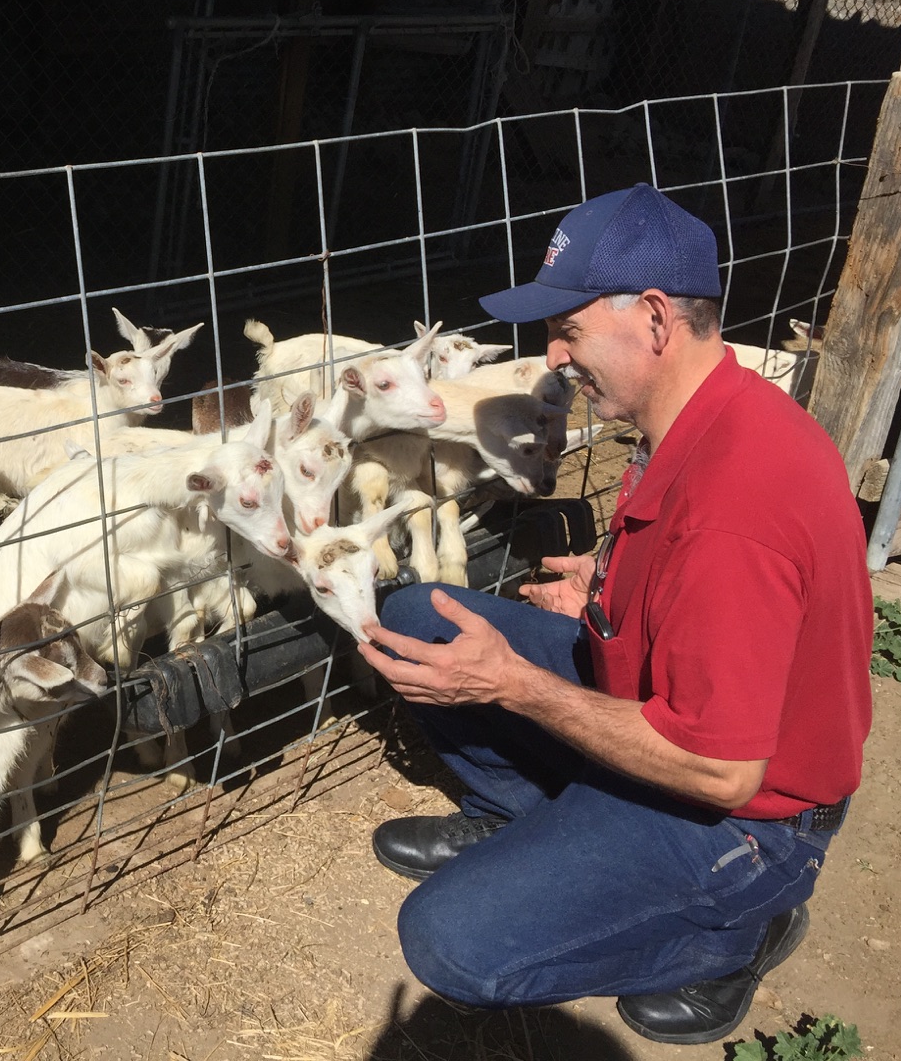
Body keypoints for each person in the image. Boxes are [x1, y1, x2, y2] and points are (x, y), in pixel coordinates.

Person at [360, 183, 873, 1046]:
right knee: (420, 613)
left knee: (447, 943)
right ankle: (539, 819)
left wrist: (517, 686)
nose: (555, 356)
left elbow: (722, 772)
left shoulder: (735, 509)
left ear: (656, 319)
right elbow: (702, 578)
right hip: (663, 716)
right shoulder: (705, 417)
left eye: (569, 329)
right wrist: (611, 588)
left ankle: (733, 932)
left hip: (752, 820)